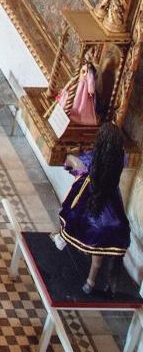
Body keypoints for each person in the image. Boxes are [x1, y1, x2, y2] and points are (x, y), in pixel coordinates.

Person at [52, 120, 131, 294]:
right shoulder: (120, 158)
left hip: (92, 197)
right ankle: (90, 282)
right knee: (99, 251)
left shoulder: (93, 160)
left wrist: (72, 155)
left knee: (71, 209)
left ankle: (62, 238)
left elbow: (74, 164)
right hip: (111, 201)